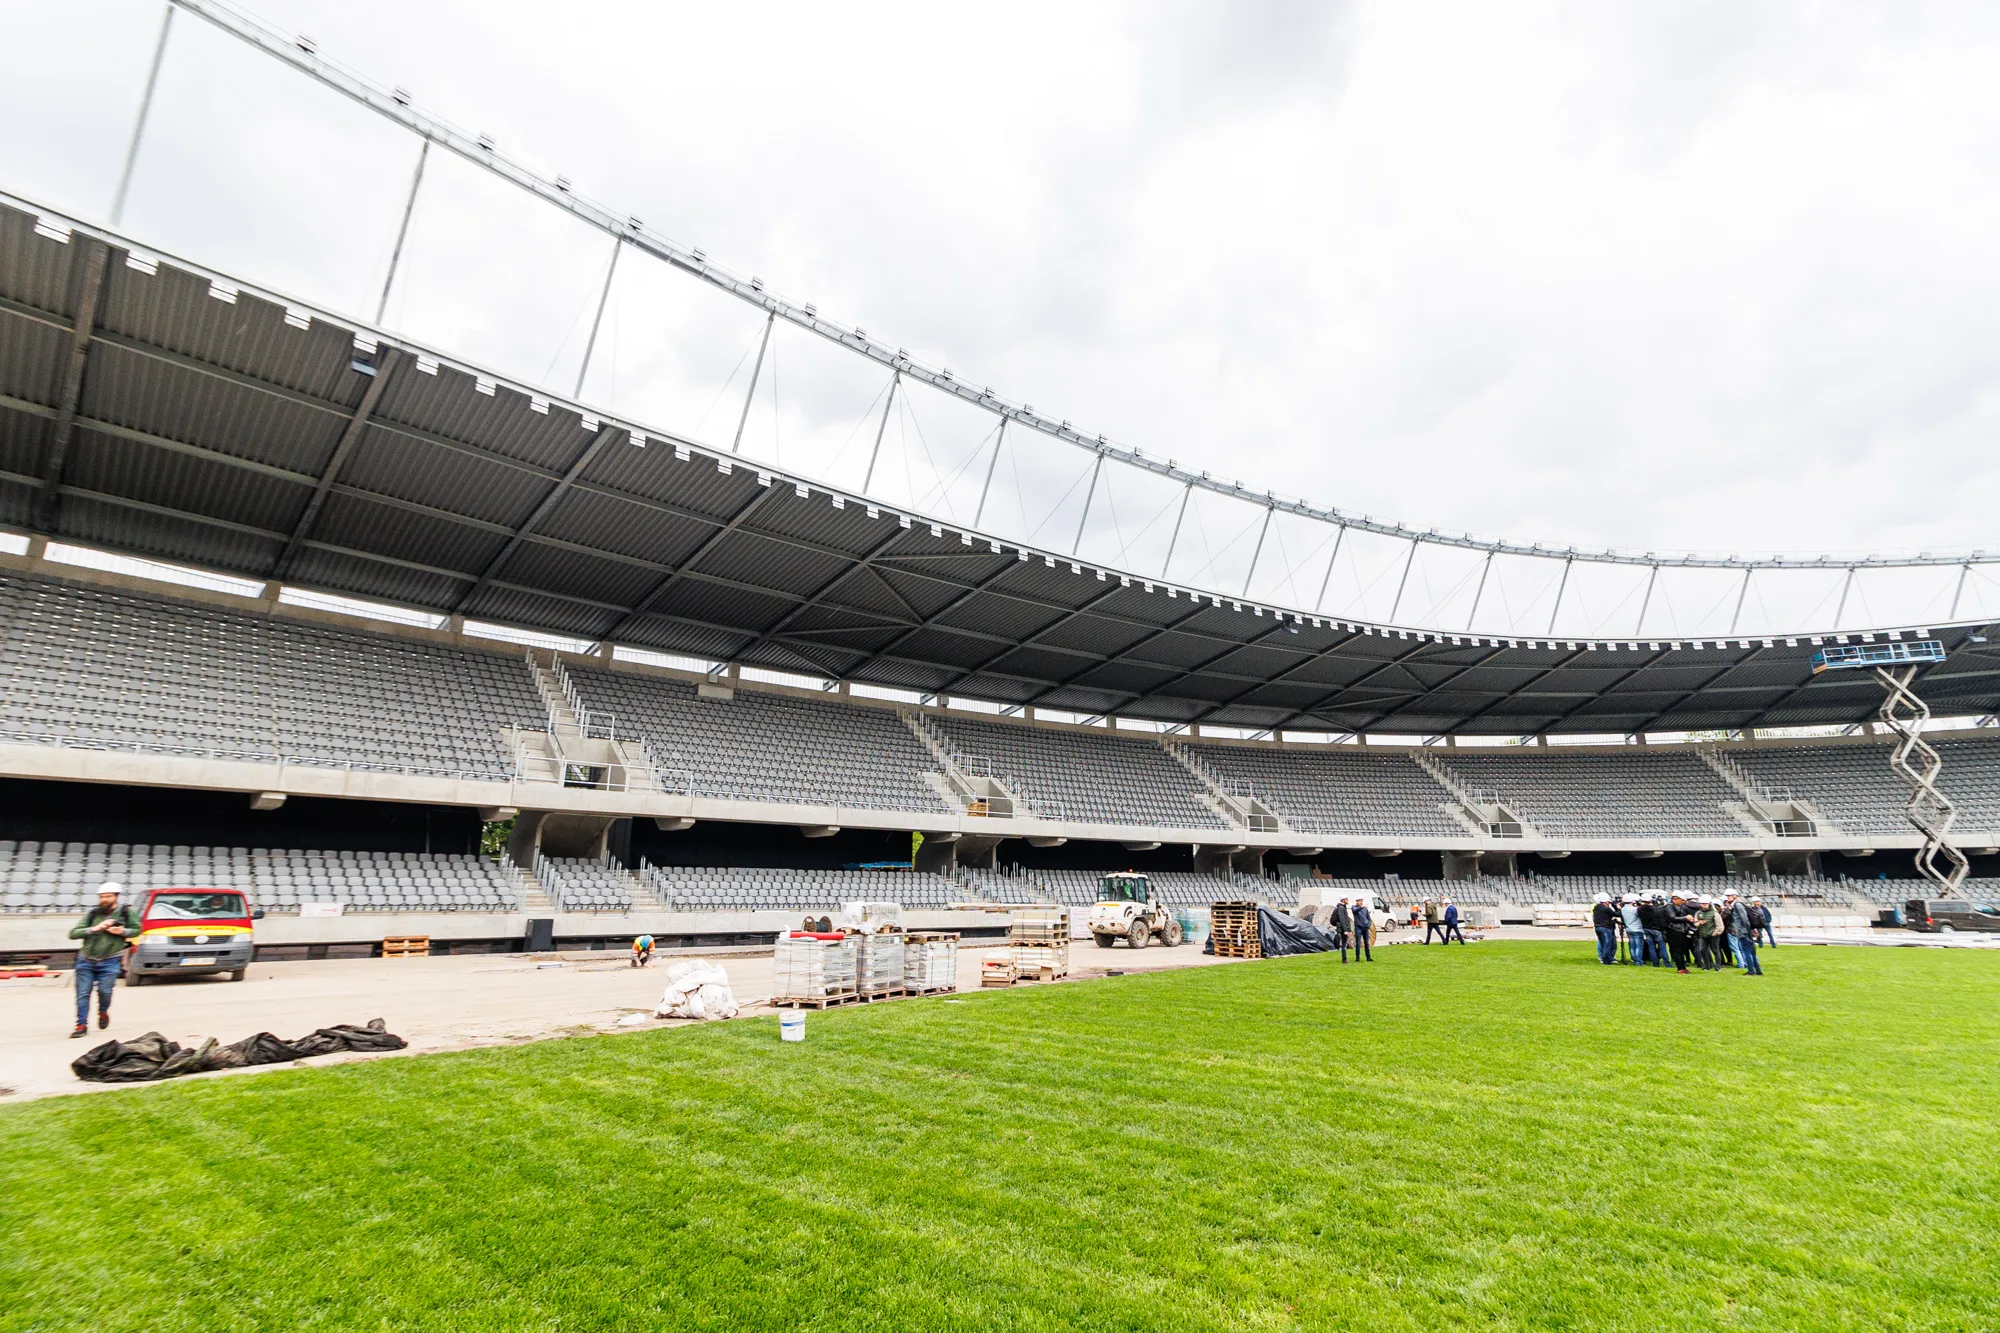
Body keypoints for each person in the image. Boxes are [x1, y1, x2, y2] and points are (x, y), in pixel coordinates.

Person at [67, 882, 141, 1038]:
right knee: (83, 994)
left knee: (105, 991)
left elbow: (137, 930)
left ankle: (102, 1012)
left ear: (116, 897)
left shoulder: (127, 913)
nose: (104, 900)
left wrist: (122, 931)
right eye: (101, 897)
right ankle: (81, 1025)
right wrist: (94, 928)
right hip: (86, 960)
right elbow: (73, 933)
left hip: (110, 960)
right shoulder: (93, 914)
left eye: (107, 896)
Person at [1727, 895, 1764, 976]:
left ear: (1734, 896)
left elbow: (1744, 918)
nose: (1728, 897)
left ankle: (1751, 971)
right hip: (1747, 930)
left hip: (1744, 931)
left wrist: (1747, 930)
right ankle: (1758, 970)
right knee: (1752, 952)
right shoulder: (1740, 904)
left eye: (1729, 896)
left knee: (1747, 951)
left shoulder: (1737, 905)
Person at [1663, 893, 1697, 973]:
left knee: (1682, 951)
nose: (1683, 902)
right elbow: (1672, 918)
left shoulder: (1680, 907)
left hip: (1682, 930)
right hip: (1673, 931)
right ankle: (1680, 968)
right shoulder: (1669, 907)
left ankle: (1683, 967)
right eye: (1681, 900)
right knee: (1677, 950)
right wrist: (1686, 918)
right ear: (1676, 899)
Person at [1637, 892, 1670, 968]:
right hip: (1656, 929)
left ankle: (1655, 964)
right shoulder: (1654, 909)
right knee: (1662, 947)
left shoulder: (1639, 909)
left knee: (1651, 947)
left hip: (1646, 928)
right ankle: (1667, 964)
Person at [1591, 894, 1619, 965]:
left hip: (1598, 927)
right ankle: (1606, 960)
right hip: (1605, 927)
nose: (1609, 903)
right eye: (1608, 902)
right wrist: (1617, 908)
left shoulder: (1596, 908)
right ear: (1605, 902)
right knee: (1607, 944)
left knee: (1603, 944)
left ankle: (1604, 958)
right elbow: (1616, 914)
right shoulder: (1606, 908)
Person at [1619, 896, 1647, 965]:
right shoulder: (1634, 909)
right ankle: (1638, 961)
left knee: (1632, 946)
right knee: (1638, 946)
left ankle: (1634, 959)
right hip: (1637, 929)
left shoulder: (1623, 909)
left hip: (1629, 929)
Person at [1329, 897, 1353, 963]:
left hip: (1343, 928)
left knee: (1344, 944)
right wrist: (1345, 930)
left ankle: (1344, 959)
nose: (1347, 900)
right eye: (1346, 899)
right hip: (1343, 929)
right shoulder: (1341, 908)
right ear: (1342, 900)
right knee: (1344, 944)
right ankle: (1344, 959)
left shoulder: (1342, 907)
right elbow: (1342, 919)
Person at [1351, 897, 1373, 962]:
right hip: (1358, 927)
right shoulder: (1354, 907)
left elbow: (1368, 918)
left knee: (1367, 943)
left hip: (1365, 928)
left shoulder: (1365, 909)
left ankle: (1368, 957)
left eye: (1362, 901)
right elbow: (1355, 910)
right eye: (1360, 901)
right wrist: (1362, 907)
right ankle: (1357, 958)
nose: (1361, 902)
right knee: (1358, 943)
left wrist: (1368, 925)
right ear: (1356, 901)